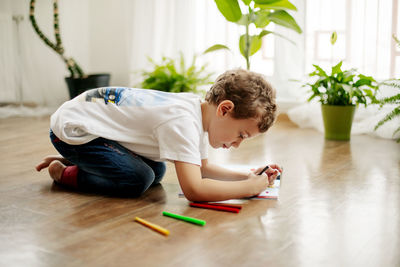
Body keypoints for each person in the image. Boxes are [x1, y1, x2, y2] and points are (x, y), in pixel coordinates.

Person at [35, 69, 282, 201]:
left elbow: (202, 168)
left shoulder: (197, 112)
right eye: (241, 134)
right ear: (224, 109)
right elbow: (195, 190)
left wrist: (247, 175)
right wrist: (247, 189)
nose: (237, 144)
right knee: (139, 179)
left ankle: (80, 158)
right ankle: (64, 172)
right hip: (74, 129)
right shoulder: (182, 122)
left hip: (93, 125)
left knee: (158, 172)